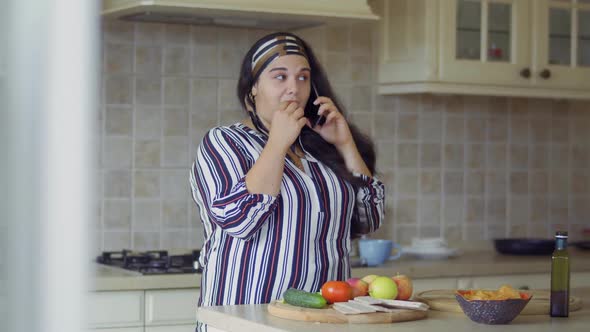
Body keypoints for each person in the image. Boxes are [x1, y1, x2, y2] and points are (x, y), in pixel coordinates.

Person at [190, 32, 384, 330]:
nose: (294, 88)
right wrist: (277, 143)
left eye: (303, 78)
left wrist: (345, 144)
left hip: (321, 319)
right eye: (279, 77)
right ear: (253, 88)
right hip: (244, 320)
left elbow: (368, 218)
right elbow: (241, 220)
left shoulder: (319, 146)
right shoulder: (224, 142)